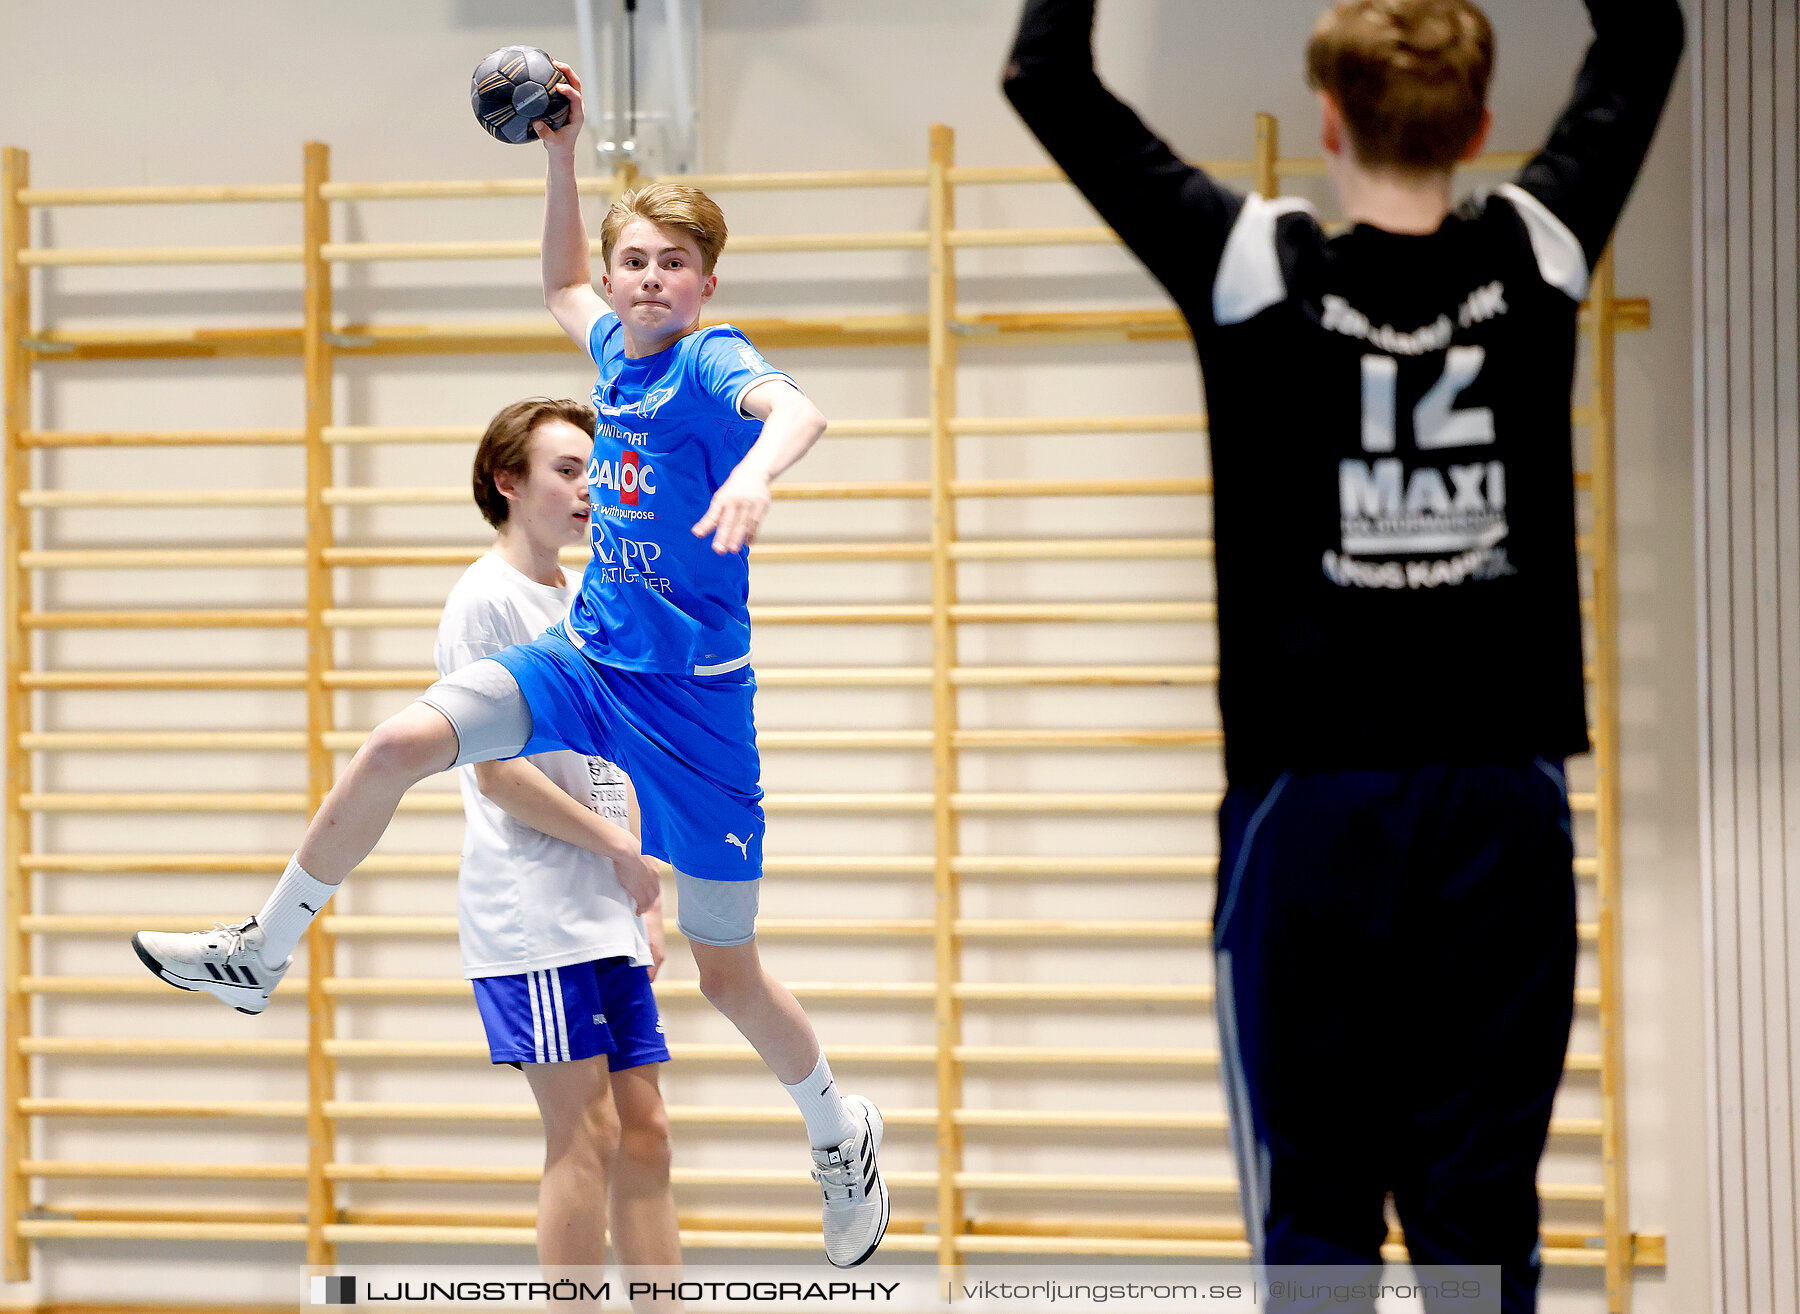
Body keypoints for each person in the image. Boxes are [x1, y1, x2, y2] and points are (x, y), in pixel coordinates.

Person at [130, 61, 889, 1269]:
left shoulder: (707, 360)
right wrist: (556, 160)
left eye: (671, 267)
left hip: (696, 718)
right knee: (396, 744)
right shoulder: (615, 349)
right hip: (587, 665)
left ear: (705, 283)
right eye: (633, 262)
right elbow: (556, 283)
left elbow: (796, 410)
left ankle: (838, 1128)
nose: (646, 283)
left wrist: (757, 469)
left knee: (730, 978)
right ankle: (260, 952)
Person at [1002, 2, 1681, 1311]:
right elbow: (1645, 36)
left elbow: (1045, 73)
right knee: (1478, 1215)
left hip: (1311, 804)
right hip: (1501, 800)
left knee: (1314, 1219)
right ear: (1480, 128)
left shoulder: (1252, 265)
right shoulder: (1536, 253)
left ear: (1327, 120)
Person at [436, 396, 679, 1276]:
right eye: (567, 471)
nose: (589, 490)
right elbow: (498, 775)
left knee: (646, 1132)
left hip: (605, 901)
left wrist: (638, 876)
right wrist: (610, 848)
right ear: (509, 482)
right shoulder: (483, 604)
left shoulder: (589, 598)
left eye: (596, 472)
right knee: (588, 1131)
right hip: (533, 907)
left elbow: (622, 750)